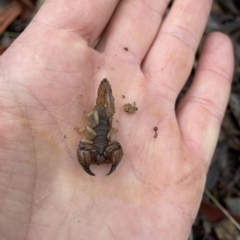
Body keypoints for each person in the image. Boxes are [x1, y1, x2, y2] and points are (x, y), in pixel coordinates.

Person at [0, 0, 233, 239]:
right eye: (104, 157)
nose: (101, 158)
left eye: (102, 157)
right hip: (99, 125)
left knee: (99, 129)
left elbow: (100, 141)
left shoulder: (101, 145)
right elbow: (91, 139)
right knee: (97, 129)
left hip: (100, 126)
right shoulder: (95, 144)